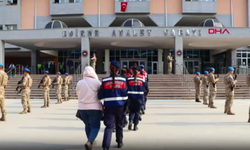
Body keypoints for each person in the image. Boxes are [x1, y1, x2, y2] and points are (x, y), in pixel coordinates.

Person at [98, 60, 128, 150]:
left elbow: (100, 96)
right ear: (118, 69)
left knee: (109, 126)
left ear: (110, 69)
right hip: (121, 107)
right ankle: (119, 142)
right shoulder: (123, 80)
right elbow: (126, 94)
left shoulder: (105, 81)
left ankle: (106, 146)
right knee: (119, 125)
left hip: (109, 107)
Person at [76, 66, 102, 150]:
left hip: (82, 108)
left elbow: (77, 93)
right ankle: (90, 141)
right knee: (95, 126)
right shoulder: (96, 82)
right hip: (94, 107)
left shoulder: (80, 82)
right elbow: (101, 94)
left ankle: (89, 140)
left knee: (87, 124)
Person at [127, 66, 146, 131]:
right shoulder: (142, 78)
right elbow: (145, 87)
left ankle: (130, 121)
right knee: (137, 112)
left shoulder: (129, 79)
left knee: (131, 111)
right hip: (139, 98)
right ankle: (135, 126)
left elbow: (127, 88)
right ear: (138, 72)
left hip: (131, 97)